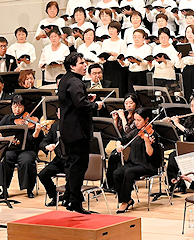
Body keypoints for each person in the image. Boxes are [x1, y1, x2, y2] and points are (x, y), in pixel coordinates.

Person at [58, 52, 103, 214]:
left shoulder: (65, 80)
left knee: (71, 164)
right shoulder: (75, 82)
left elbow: (72, 101)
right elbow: (81, 105)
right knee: (79, 165)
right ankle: (75, 202)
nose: (85, 66)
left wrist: (85, 97)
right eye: (81, 63)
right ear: (72, 66)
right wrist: (95, 105)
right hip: (77, 131)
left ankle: (68, 198)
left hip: (67, 129)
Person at [0, 95, 44, 199]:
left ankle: (29, 189)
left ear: (24, 107)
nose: (17, 109)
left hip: (27, 149)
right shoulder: (7, 118)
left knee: (27, 161)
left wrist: (37, 131)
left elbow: (34, 139)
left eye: (20, 107)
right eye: (15, 106)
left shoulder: (30, 120)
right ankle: (4, 190)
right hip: (10, 149)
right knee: (3, 160)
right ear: (11, 106)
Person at [114, 107, 161, 213]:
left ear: (147, 120)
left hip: (147, 165)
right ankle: (127, 199)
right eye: (135, 120)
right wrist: (118, 144)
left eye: (139, 120)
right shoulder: (135, 132)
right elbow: (122, 139)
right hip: (133, 162)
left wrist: (147, 141)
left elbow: (150, 154)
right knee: (117, 173)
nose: (136, 123)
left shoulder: (152, 134)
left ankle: (125, 202)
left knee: (128, 172)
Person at [165, 95, 194, 192]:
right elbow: (180, 132)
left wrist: (177, 124)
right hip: (187, 146)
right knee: (172, 156)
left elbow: (190, 132)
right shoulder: (189, 118)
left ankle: (182, 183)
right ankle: (173, 182)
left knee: (180, 157)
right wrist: (171, 124)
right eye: (192, 106)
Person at [38, 108, 66, 207]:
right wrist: (47, 146)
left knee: (72, 176)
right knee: (43, 175)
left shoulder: (75, 126)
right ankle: (55, 196)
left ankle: (70, 196)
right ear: (57, 115)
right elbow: (43, 142)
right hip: (59, 160)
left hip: (72, 160)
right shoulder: (55, 126)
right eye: (60, 113)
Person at [119, 29, 151, 93]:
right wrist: (122, 62)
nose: (136, 39)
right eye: (135, 37)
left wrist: (137, 62)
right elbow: (127, 62)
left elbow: (147, 62)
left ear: (143, 38)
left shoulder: (147, 47)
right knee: (131, 92)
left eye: (139, 37)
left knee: (142, 93)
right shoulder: (130, 47)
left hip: (142, 73)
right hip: (131, 73)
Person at [100, 21, 127, 97]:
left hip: (117, 66)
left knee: (118, 86)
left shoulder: (122, 42)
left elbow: (124, 56)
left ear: (118, 31)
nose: (111, 31)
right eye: (110, 29)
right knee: (108, 85)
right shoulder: (105, 42)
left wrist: (116, 54)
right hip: (107, 66)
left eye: (113, 29)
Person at [149, 27, 179, 94]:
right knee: (158, 94)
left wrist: (164, 60)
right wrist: (150, 62)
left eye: (165, 37)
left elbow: (174, 63)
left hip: (168, 75)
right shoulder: (156, 48)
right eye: (161, 37)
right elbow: (154, 61)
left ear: (168, 37)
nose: (163, 39)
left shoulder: (172, 48)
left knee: (169, 94)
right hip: (158, 74)